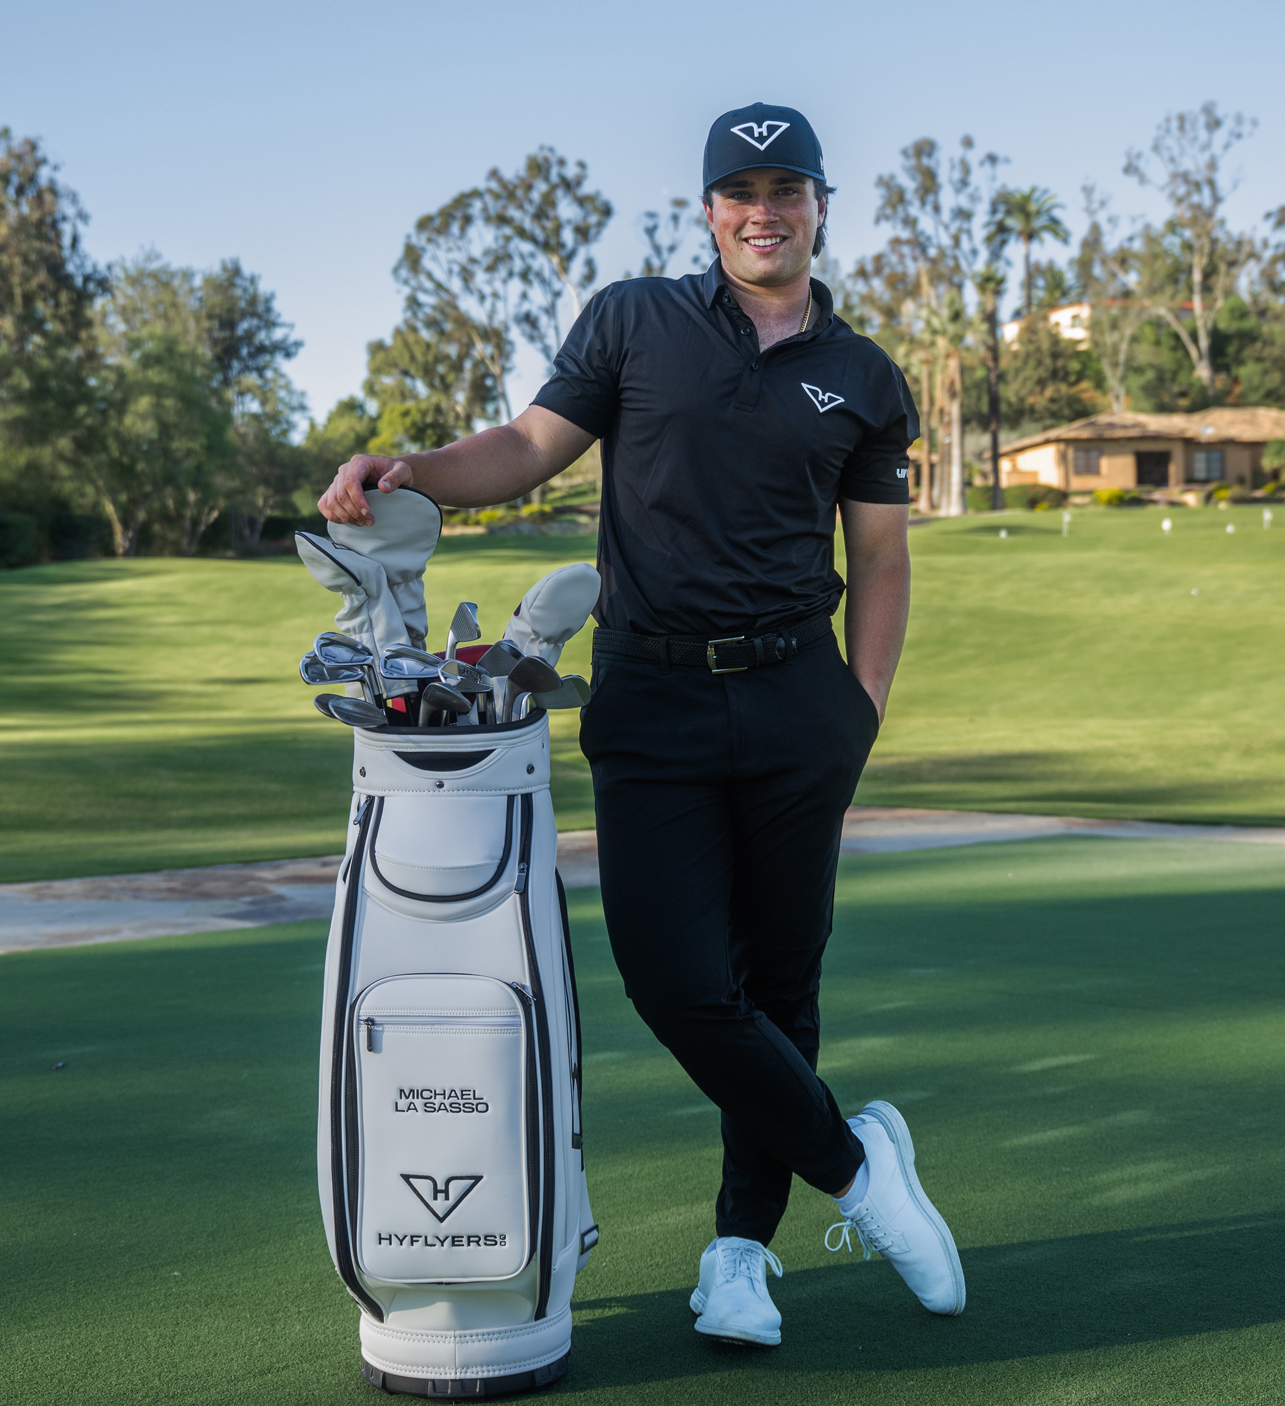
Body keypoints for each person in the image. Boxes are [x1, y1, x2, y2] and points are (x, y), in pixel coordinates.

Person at [318, 101, 962, 1347]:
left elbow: (878, 560)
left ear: (820, 204)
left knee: (780, 981)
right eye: (739, 191)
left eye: (787, 189)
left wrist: (858, 712)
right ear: (709, 210)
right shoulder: (634, 322)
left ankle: (738, 1253)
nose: (763, 211)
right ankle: (863, 1169)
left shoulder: (864, 377)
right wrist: (413, 467)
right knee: (679, 982)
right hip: (654, 698)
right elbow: (523, 447)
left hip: (796, 702)